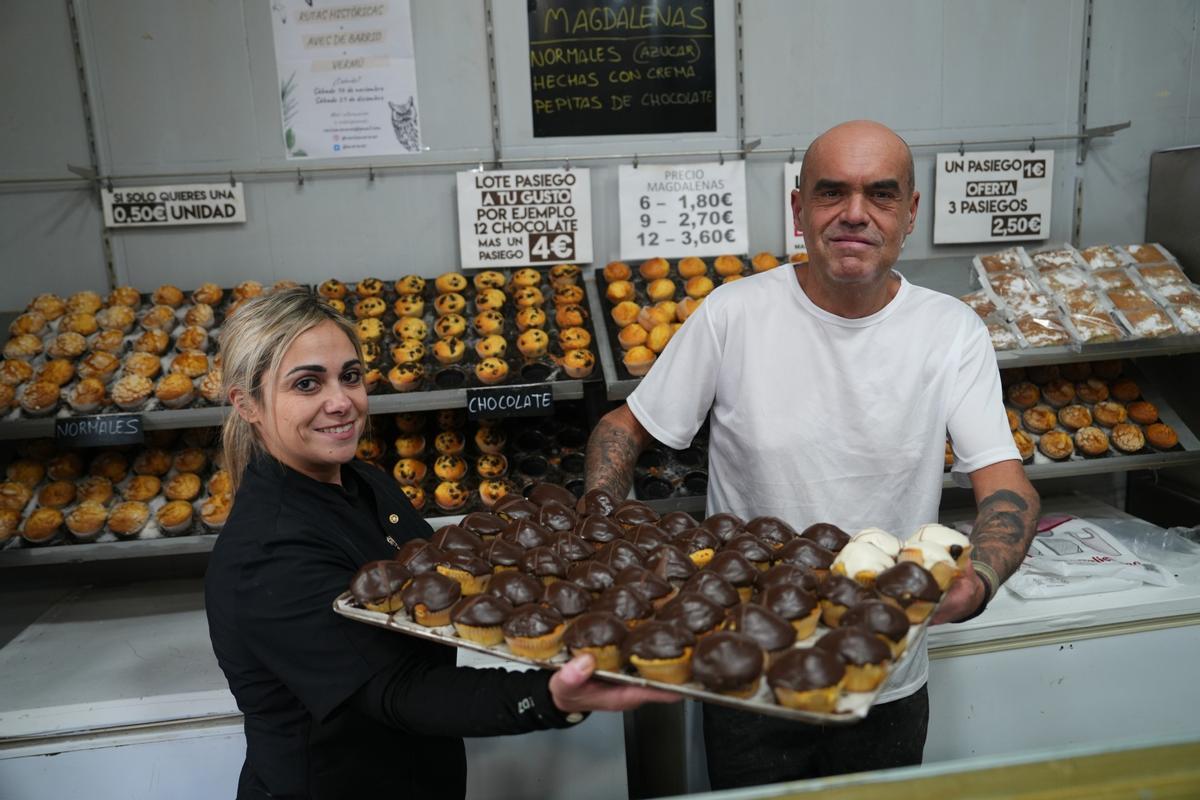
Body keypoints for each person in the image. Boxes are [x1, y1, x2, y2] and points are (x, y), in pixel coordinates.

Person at [584, 120, 1041, 788]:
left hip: (882, 675)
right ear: (799, 209)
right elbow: (624, 428)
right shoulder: (734, 314)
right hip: (748, 670)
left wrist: (980, 582)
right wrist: (597, 524)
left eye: (880, 194)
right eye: (832, 192)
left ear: (910, 212)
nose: (855, 213)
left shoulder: (950, 332)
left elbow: (1007, 488)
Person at [205, 289, 675, 800]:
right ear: (246, 404)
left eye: (350, 376)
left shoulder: (363, 481)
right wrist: (549, 696)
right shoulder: (266, 552)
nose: (340, 401)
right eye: (306, 383)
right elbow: (398, 688)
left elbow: (442, 581)